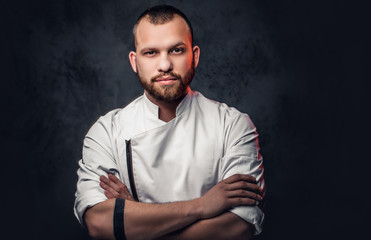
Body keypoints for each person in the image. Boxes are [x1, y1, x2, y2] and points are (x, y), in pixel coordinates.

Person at [74, 4, 265, 240]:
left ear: (194, 56)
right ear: (134, 61)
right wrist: (202, 205)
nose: (164, 65)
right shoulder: (106, 131)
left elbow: (237, 227)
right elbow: (100, 223)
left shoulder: (233, 125)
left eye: (176, 50)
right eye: (151, 53)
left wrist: (136, 221)